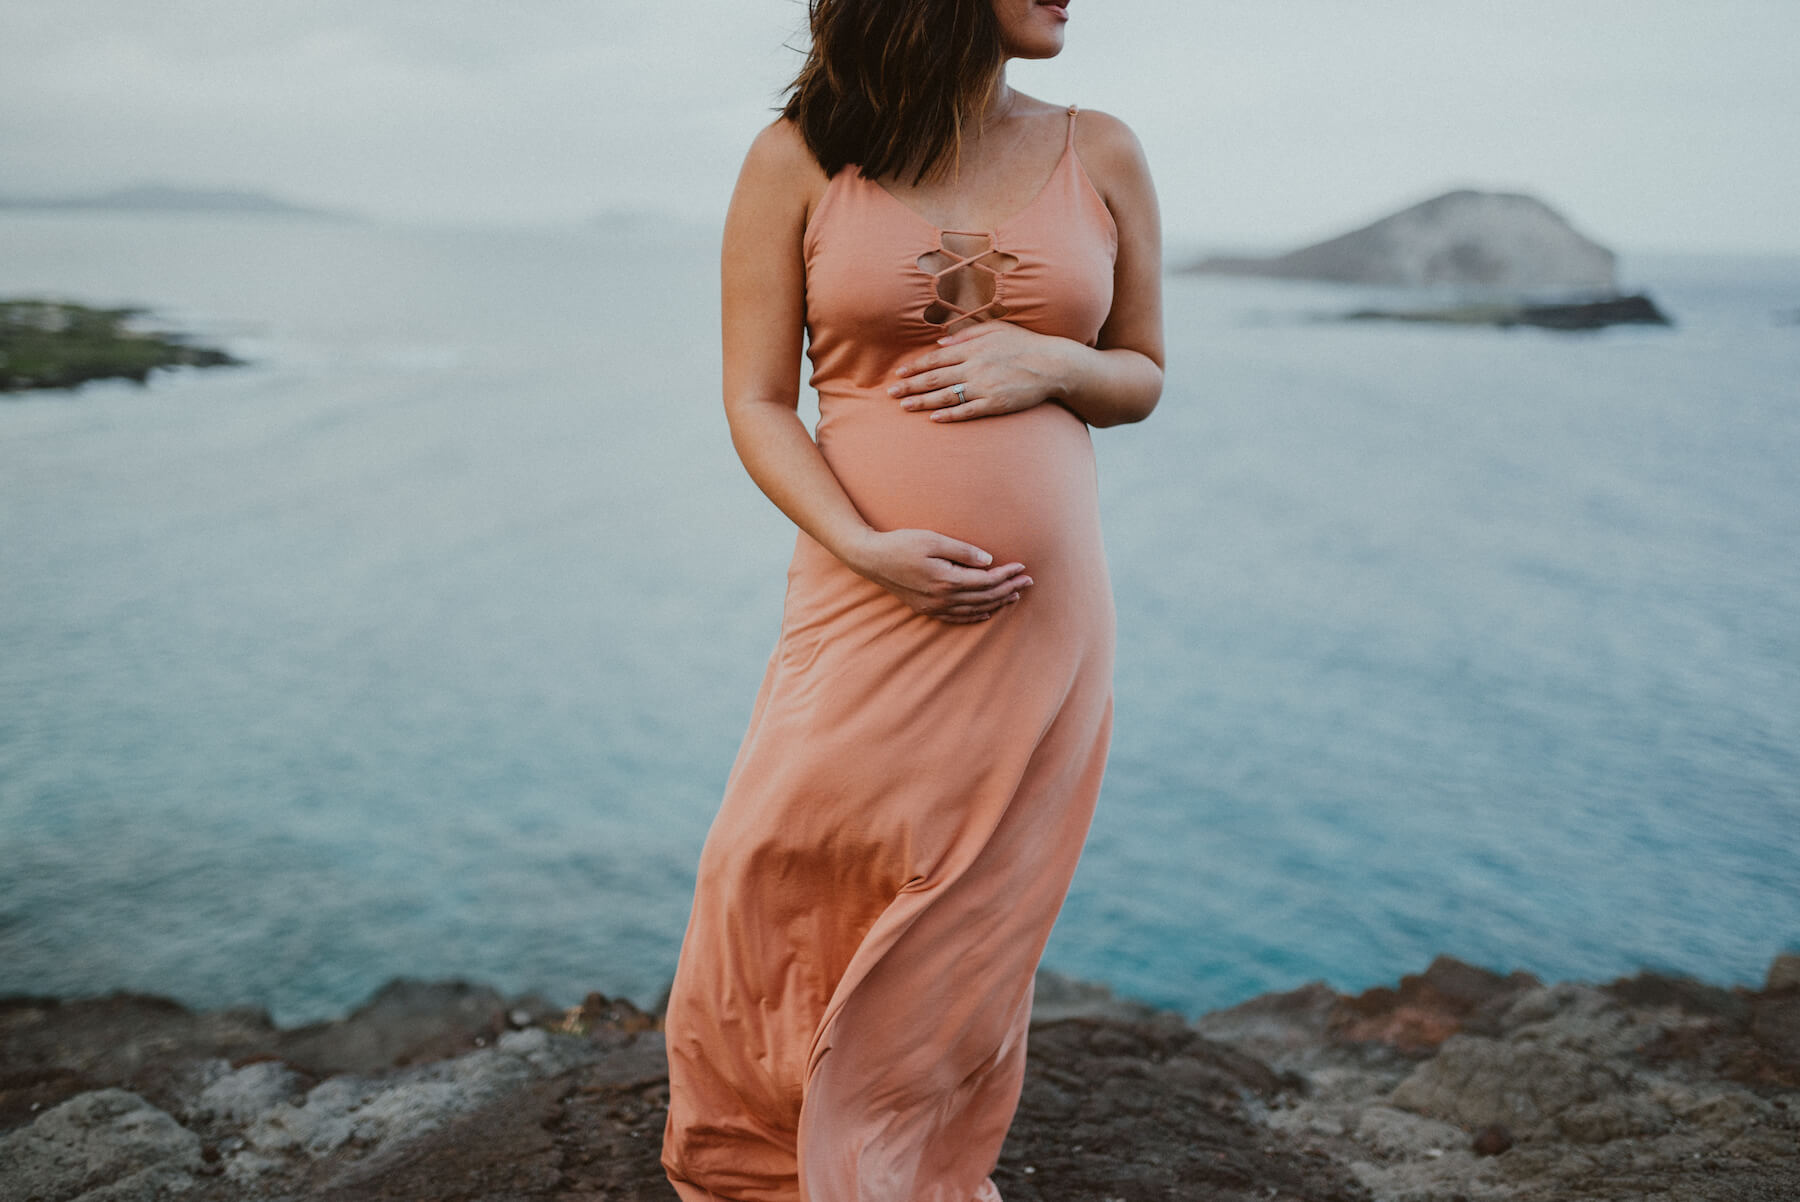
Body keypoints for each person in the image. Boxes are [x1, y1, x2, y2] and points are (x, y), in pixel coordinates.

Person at [661, 0, 1163, 1197]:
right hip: (858, 588)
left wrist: (1057, 362)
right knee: (776, 857)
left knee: (978, 899)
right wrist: (859, 542)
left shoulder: (1101, 149)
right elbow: (757, 400)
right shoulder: (798, 159)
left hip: (1038, 621)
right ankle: (759, 1168)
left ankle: (912, 1172)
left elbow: (1142, 372)